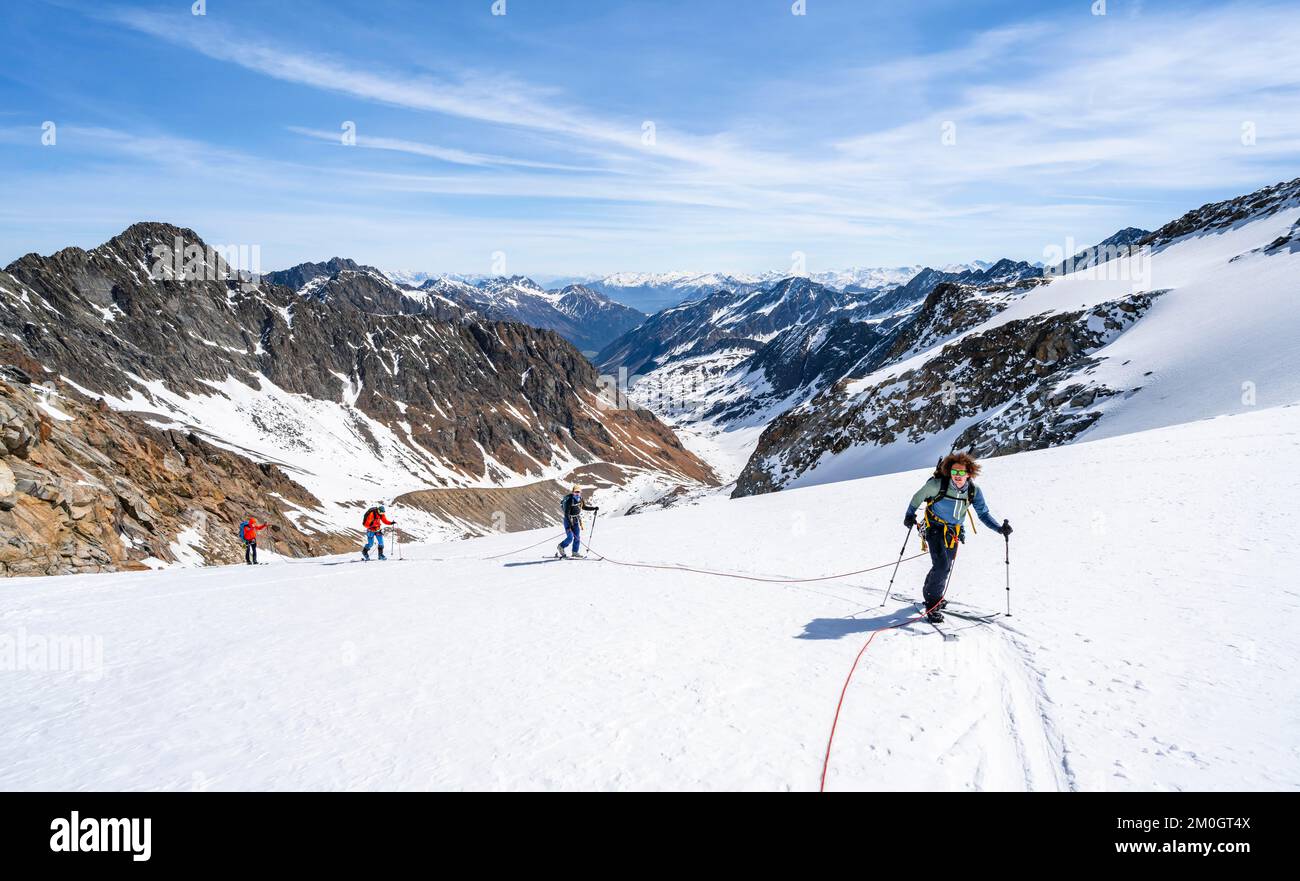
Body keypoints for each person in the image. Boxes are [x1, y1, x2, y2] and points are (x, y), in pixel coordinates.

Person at [903, 453, 1011, 623]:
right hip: (934, 527)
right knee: (942, 565)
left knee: (944, 566)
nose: (957, 476)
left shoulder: (974, 491)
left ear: (969, 473)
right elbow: (917, 498)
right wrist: (909, 515)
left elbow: (983, 513)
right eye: (954, 472)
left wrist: (999, 529)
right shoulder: (937, 485)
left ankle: (931, 593)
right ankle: (932, 604)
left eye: (961, 473)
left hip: (954, 531)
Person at [556, 485, 598, 558]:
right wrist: (569, 525)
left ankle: (575, 552)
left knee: (577, 537)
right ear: (573, 492)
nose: (577, 493)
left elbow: (584, 507)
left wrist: (594, 508)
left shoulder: (580, 499)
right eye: (576, 492)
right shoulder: (570, 500)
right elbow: (567, 513)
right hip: (568, 520)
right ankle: (561, 546)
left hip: (575, 520)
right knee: (570, 537)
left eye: (578, 492)